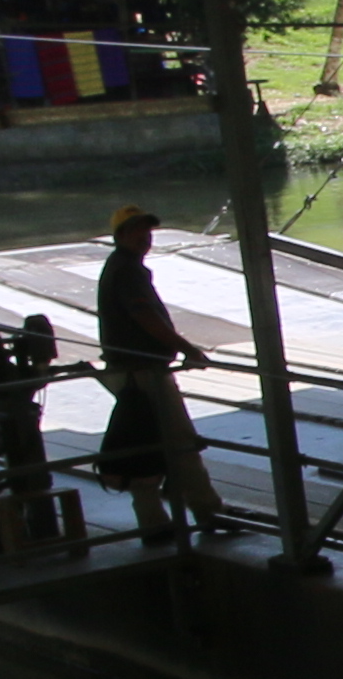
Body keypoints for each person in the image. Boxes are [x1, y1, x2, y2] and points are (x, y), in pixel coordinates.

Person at [91, 208, 236, 537]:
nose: (145, 239)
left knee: (148, 443)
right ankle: (208, 510)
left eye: (148, 232)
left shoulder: (121, 267)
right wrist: (187, 348)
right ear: (122, 236)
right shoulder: (128, 271)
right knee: (181, 443)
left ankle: (155, 520)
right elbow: (145, 316)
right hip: (144, 372)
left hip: (132, 371)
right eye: (138, 232)